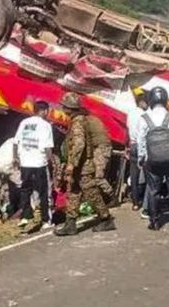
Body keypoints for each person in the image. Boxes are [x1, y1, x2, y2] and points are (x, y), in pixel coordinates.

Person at [54, 92, 116, 235]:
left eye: (64, 106)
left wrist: (72, 164)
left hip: (83, 166)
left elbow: (79, 144)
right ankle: (70, 223)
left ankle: (106, 218)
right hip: (80, 166)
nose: (62, 108)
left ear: (70, 108)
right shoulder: (79, 120)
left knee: (91, 193)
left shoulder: (78, 122)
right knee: (74, 193)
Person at [137, 86, 169, 231]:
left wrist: (142, 158)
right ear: (165, 99)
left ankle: (154, 221)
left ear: (150, 100)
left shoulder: (144, 118)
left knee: (153, 190)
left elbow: (141, 141)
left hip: (152, 161)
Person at [14, 101, 54, 231]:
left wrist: (16, 157)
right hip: (39, 163)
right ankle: (45, 220)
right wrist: (51, 161)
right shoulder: (46, 125)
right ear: (43, 111)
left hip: (25, 162)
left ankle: (25, 216)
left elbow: (16, 142)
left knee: (25, 189)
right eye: (47, 111)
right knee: (43, 192)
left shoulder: (24, 123)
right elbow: (48, 147)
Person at [0, 137, 21, 219]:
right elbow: (18, 157)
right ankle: (28, 206)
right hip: (7, 164)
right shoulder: (20, 142)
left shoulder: (9, 140)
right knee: (21, 184)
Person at [126, 92, 149, 210]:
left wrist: (127, 146)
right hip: (143, 146)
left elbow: (127, 130)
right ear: (141, 102)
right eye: (147, 102)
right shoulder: (145, 115)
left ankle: (135, 203)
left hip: (133, 145)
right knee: (147, 175)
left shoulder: (130, 113)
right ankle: (146, 202)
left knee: (134, 175)